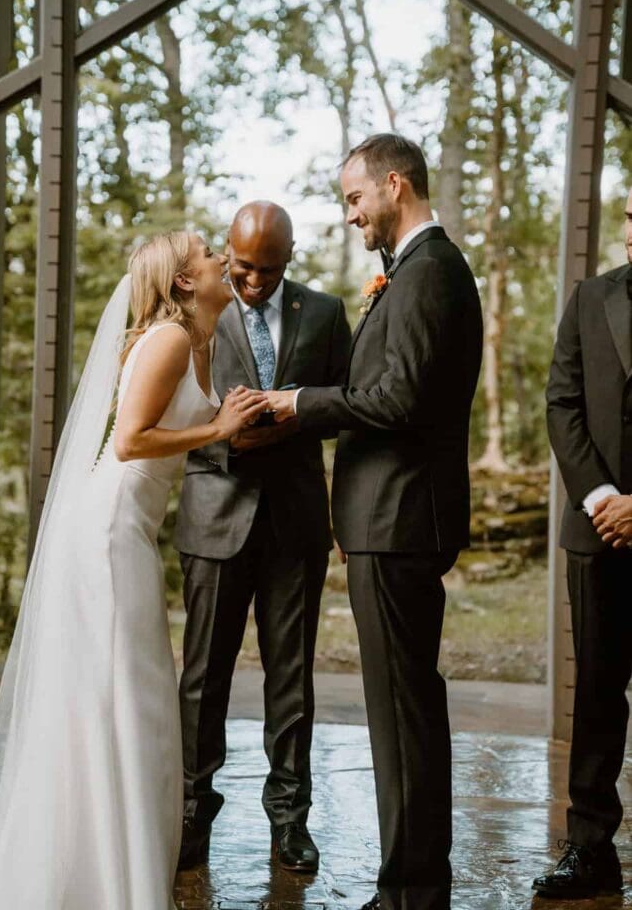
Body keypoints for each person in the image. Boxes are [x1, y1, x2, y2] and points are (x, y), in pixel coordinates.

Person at [0, 232, 268, 910]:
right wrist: (216, 430)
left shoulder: (201, 342)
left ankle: (110, 871)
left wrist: (239, 420)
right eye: (208, 253)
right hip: (105, 533)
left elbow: (188, 428)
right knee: (126, 700)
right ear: (183, 282)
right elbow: (129, 440)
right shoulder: (169, 340)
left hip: (128, 531)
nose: (221, 259)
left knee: (127, 699)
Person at [266, 134, 483, 910]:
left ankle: (413, 891)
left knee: (405, 714)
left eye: (355, 198)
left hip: (399, 522)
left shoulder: (429, 274)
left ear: (395, 185)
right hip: (387, 522)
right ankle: (407, 884)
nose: (350, 215)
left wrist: (299, 403)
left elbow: (397, 402)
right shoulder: (413, 274)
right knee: (400, 712)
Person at [174, 201, 351, 872]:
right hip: (215, 510)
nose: (252, 285)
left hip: (296, 520)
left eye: (268, 272)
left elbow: (347, 403)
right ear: (226, 252)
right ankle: (193, 814)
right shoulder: (196, 309)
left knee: (291, 679)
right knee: (202, 678)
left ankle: (289, 820)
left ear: (289, 259)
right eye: (243, 268)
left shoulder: (326, 313)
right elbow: (172, 414)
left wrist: (298, 418)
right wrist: (229, 437)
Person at [534, 189, 632, 900]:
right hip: (596, 533)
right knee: (595, 693)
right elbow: (561, 402)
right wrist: (601, 499)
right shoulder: (589, 297)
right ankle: (590, 849)